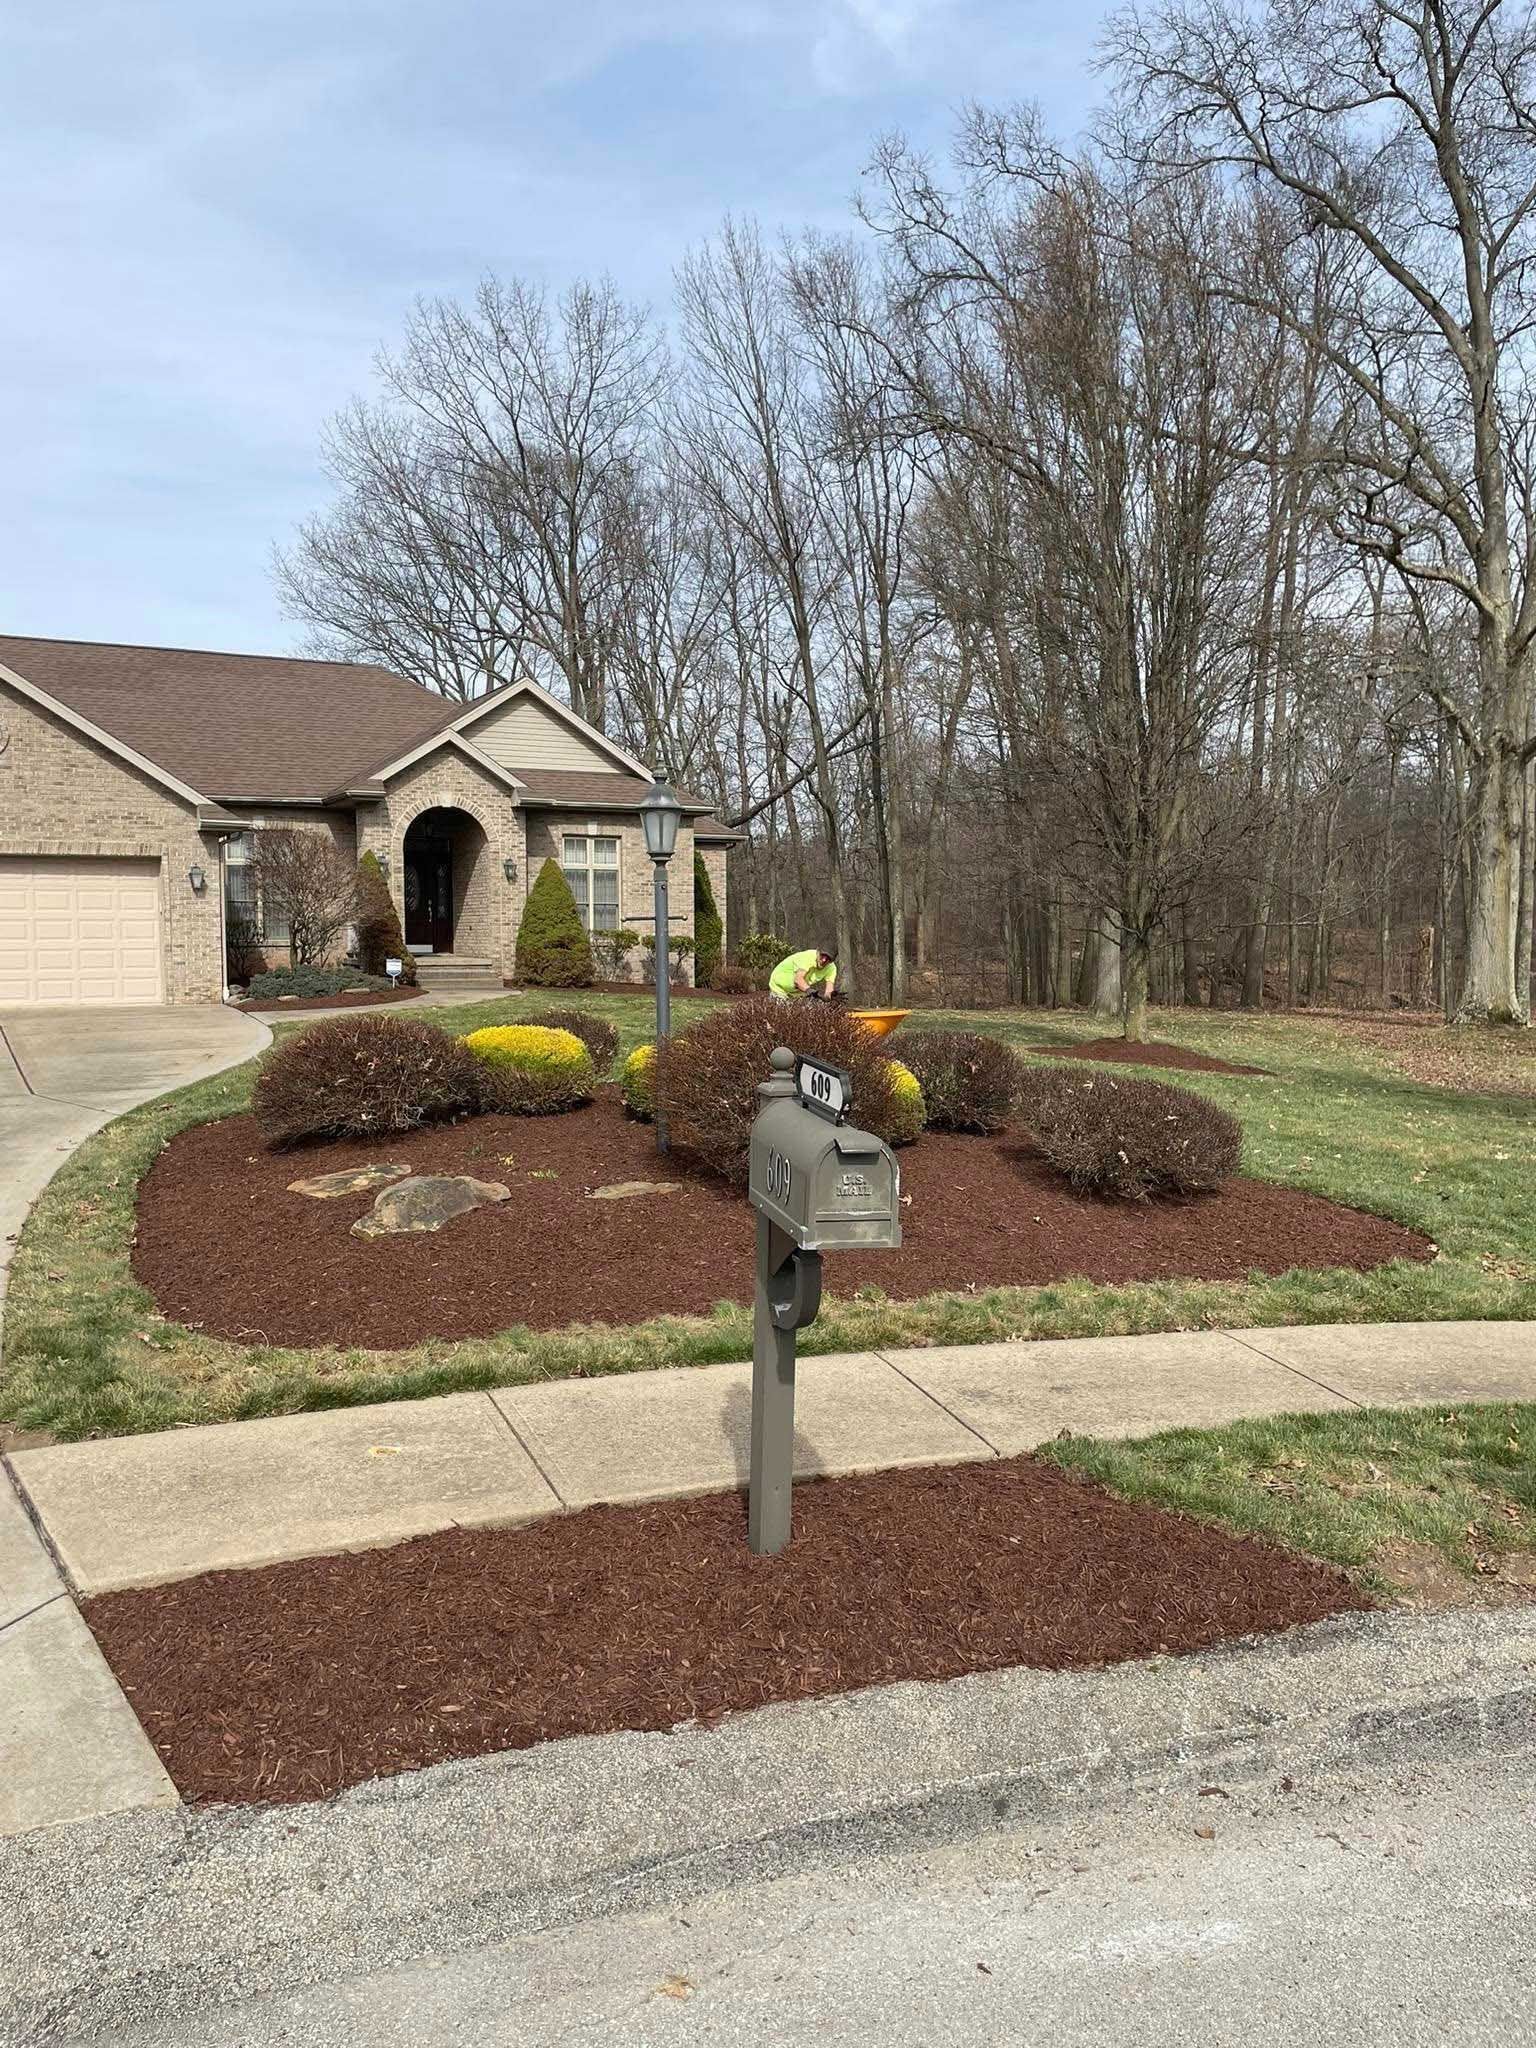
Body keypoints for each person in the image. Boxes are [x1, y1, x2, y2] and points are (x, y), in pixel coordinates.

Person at [768, 944, 839, 1001]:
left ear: (831, 961)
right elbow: (798, 980)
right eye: (822, 955)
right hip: (779, 987)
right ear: (818, 952)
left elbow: (829, 989)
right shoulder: (807, 957)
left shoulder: (831, 968)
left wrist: (830, 996)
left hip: (796, 992)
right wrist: (810, 991)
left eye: (828, 959)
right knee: (781, 1015)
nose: (823, 960)